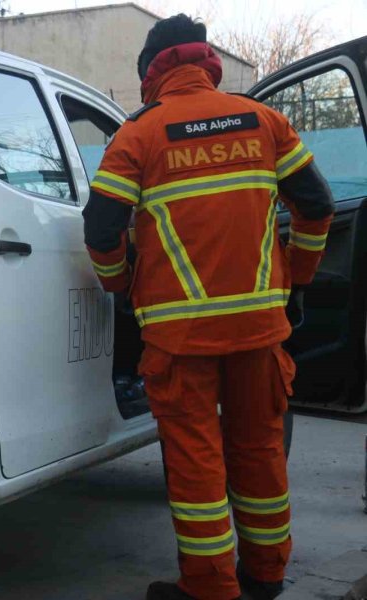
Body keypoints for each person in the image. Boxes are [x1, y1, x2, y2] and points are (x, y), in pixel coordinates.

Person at [82, 14, 334, 600]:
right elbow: (317, 205)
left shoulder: (139, 134)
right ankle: (266, 576)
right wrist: (296, 279)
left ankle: (209, 589)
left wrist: (119, 284)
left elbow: (100, 228)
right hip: (259, 331)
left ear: (151, 72)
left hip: (180, 340)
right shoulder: (265, 121)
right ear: (207, 62)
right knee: (260, 451)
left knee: (197, 463)